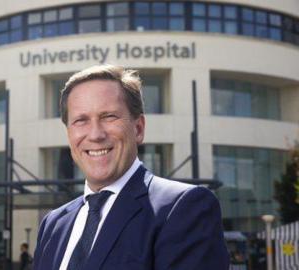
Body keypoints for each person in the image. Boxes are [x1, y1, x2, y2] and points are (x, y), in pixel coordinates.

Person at [33, 65, 229, 270]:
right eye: (81, 120)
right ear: (69, 135)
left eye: (109, 117)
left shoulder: (185, 208)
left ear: (138, 128)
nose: (95, 134)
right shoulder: (53, 224)